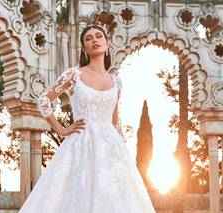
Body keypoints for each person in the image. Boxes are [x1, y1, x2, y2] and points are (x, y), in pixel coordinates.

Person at [18, 25, 155, 213]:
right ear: (84, 48)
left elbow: (115, 121)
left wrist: (123, 154)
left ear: (107, 43)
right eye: (89, 39)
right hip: (80, 144)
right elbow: (44, 99)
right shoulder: (74, 75)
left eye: (99, 36)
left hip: (110, 149)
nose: (95, 40)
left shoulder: (117, 82)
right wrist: (61, 129)